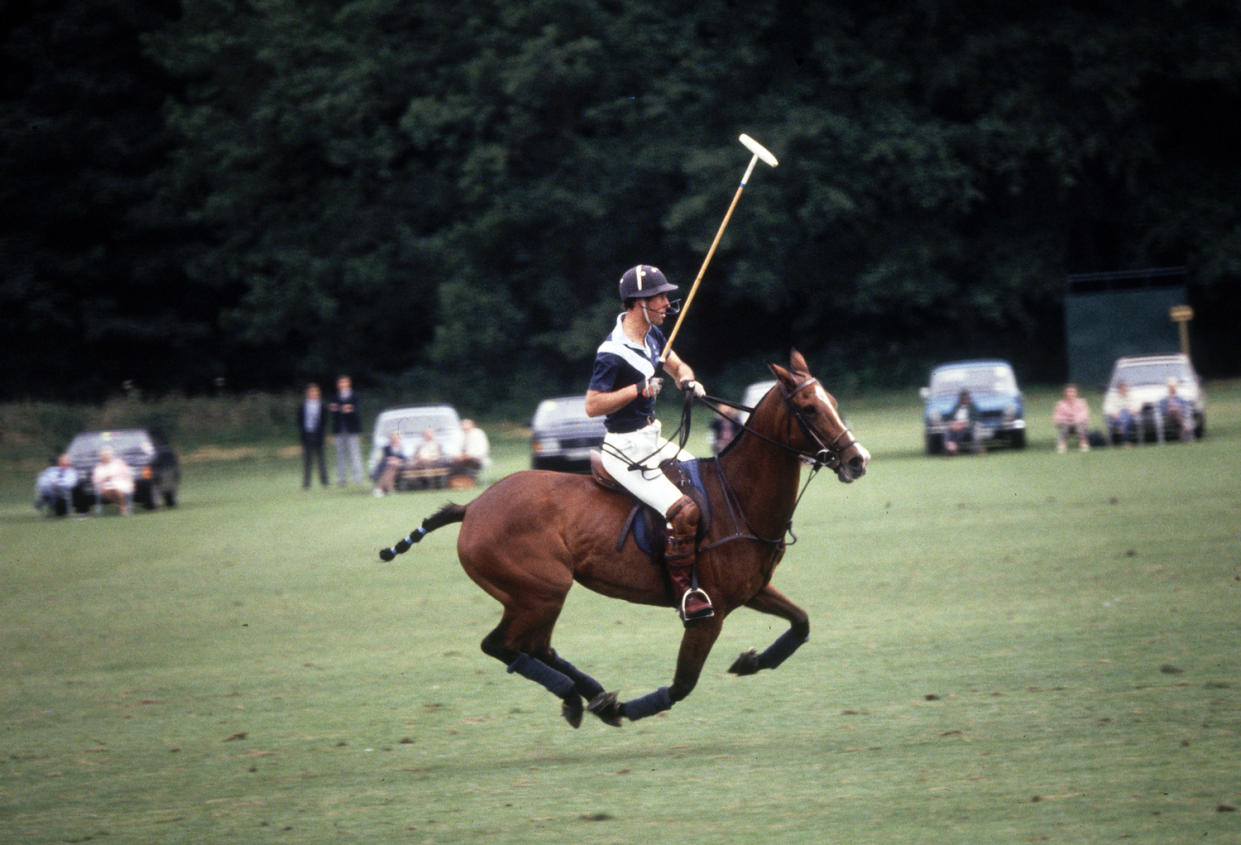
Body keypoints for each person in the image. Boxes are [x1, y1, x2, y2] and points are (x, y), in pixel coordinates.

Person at [584, 264, 712, 625]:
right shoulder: (611, 352)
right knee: (684, 510)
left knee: (707, 484)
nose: (666, 303)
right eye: (659, 297)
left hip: (653, 439)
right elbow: (592, 404)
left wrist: (687, 380)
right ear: (638, 303)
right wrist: (637, 390)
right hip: (626, 452)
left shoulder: (654, 336)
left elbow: (677, 366)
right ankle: (685, 593)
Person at [329, 374, 364, 486]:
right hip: (339, 429)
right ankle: (342, 479)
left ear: (349, 384)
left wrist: (347, 409)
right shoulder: (335, 397)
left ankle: (357, 478)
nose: (343, 385)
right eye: (340, 383)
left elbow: (355, 410)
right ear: (338, 385)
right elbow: (333, 409)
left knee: (355, 453)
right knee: (340, 455)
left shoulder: (355, 396)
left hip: (352, 428)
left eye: (345, 382)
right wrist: (342, 408)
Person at [297, 382, 329, 488]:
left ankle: (324, 481)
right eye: (311, 391)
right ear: (307, 393)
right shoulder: (302, 405)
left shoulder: (322, 405)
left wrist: (320, 430)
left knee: (321, 458)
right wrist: (303, 431)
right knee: (307, 459)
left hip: (318, 433)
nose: (314, 393)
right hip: (307, 433)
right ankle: (306, 482)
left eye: (316, 391)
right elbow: (299, 420)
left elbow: (324, 420)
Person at [92, 447, 133, 515]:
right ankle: (123, 506)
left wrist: (129, 481)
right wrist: (104, 479)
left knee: (117, 490)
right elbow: (95, 480)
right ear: (101, 457)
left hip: (120, 482)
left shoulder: (118, 463)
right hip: (104, 485)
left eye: (107, 455)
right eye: (104, 456)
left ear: (111, 456)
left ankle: (122, 506)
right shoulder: (98, 467)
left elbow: (127, 473)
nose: (106, 457)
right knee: (109, 490)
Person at [1053, 383, 1091, 453]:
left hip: (1079, 423)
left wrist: (1075, 419)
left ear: (1076, 393)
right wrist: (1066, 419)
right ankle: (1062, 445)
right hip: (1066, 424)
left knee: (1079, 425)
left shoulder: (1082, 402)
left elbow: (1085, 415)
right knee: (1065, 425)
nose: (1070, 394)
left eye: (1072, 392)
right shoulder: (1060, 404)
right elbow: (1056, 418)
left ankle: (1083, 444)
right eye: (1068, 392)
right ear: (1065, 393)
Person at [944, 389, 979, 455]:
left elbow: (975, 418)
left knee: (960, 432)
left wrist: (964, 424)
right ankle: (949, 446)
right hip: (956, 425)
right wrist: (953, 423)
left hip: (967, 427)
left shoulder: (972, 407)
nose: (965, 400)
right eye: (963, 398)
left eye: (966, 398)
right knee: (949, 431)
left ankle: (955, 448)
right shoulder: (956, 407)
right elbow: (950, 417)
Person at [371, 430, 406, 497]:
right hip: (385, 465)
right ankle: (387, 489)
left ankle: (379, 488)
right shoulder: (386, 447)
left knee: (392, 468)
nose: (395, 439)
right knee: (391, 468)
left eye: (397, 437)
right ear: (391, 438)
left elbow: (404, 458)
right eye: (394, 437)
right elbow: (384, 458)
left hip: (397, 466)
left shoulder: (400, 447)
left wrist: (398, 461)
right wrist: (391, 460)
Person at [1107, 380, 1139, 446]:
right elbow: (1109, 409)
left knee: (1125, 416)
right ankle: (1127, 441)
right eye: (1121, 389)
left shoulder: (1131, 396)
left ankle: (1125, 440)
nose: (1123, 390)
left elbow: (1136, 407)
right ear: (1118, 390)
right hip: (1117, 418)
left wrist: (1133, 411)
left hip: (1130, 417)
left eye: (1124, 389)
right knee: (1123, 419)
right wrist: (1114, 414)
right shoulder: (1113, 398)